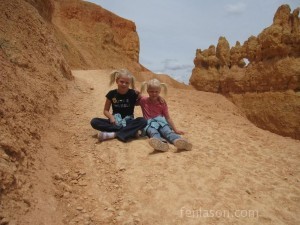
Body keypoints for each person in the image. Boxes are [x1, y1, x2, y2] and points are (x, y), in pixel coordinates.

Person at [90, 69, 147, 142]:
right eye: (122, 82)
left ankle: (114, 134)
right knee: (94, 121)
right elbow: (105, 110)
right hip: (115, 121)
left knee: (143, 121)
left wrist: (139, 94)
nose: (124, 84)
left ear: (129, 83)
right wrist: (111, 117)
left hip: (128, 121)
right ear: (117, 81)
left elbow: (143, 100)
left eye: (127, 83)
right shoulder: (111, 94)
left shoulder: (133, 93)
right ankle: (129, 132)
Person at [138, 78, 192, 152]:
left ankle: (179, 141)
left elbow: (168, 117)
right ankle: (161, 144)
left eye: (156, 92)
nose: (154, 94)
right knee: (153, 132)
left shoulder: (162, 102)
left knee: (167, 132)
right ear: (147, 91)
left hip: (161, 122)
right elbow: (136, 94)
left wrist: (175, 129)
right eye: (151, 91)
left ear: (159, 91)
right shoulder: (143, 100)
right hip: (149, 124)